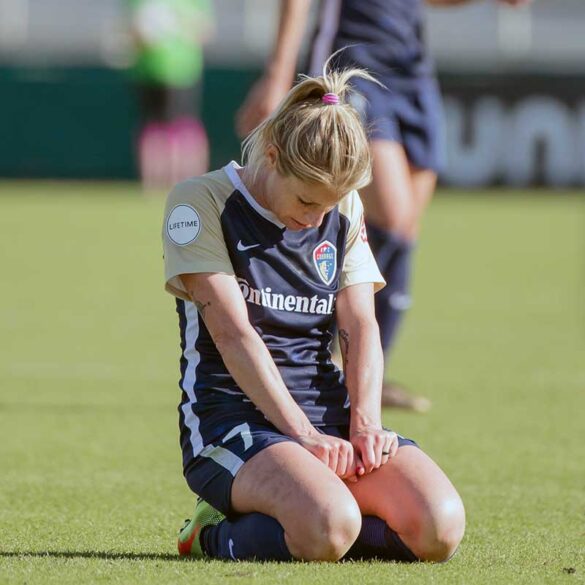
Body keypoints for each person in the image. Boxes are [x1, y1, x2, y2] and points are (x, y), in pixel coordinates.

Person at [163, 66, 465, 562]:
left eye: (327, 206)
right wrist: (302, 434)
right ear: (274, 156)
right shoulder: (200, 202)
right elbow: (235, 334)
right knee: (329, 527)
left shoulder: (342, 208)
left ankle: (310, 510)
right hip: (233, 422)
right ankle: (210, 531)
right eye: (305, 200)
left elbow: (361, 325)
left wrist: (365, 423)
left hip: (327, 413)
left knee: (438, 528)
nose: (314, 219)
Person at [236, 0, 531, 411]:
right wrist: (277, 74)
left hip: (411, 69)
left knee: (404, 228)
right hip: (352, 64)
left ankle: (368, 373)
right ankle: (318, 359)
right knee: (389, 217)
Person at [127, 0, 214, 191]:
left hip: (184, 71)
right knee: (153, 127)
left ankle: (188, 182)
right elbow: (132, 30)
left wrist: (179, 27)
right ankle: (153, 184)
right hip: (150, 71)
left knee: (185, 127)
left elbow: (204, 29)